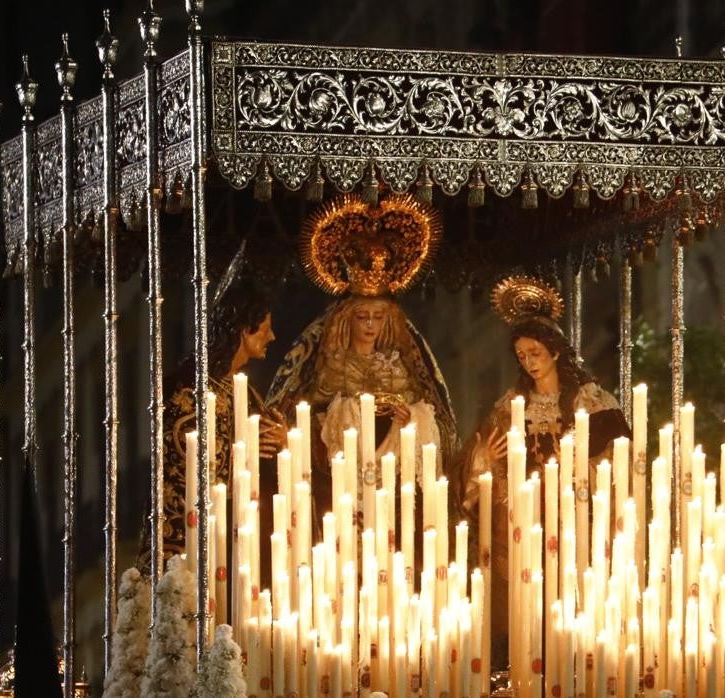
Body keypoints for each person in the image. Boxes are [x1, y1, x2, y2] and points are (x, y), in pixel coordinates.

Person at [459, 274, 630, 667]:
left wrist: (576, 470)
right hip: (525, 521)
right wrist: (486, 457)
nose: (529, 362)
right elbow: (477, 464)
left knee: (572, 593)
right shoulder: (511, 405)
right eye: (521, 356)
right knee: (526, 602)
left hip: (574, 515)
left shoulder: (591, 401)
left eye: (535, 352)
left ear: (554, 351)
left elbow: (619, 455)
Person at [267, 193, 457, 518]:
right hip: (338, 488)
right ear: (346, 320)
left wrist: (412, 418)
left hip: (394, 487)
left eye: (378, 317)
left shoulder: (400, 365)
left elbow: (438, 423)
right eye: (362, 317)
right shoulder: (328, 365)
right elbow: (304, 421)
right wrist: (338, 415)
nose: (370, 325)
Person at [156, 276, 287, 560]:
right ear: (243, 329)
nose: (272, 336)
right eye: (265, 328)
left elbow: (268, 457)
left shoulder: (246, 392)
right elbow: (183, 452)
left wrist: (283, 443)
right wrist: (243, 453)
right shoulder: (191, 388)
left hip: (245, 535)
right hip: (202, 538)